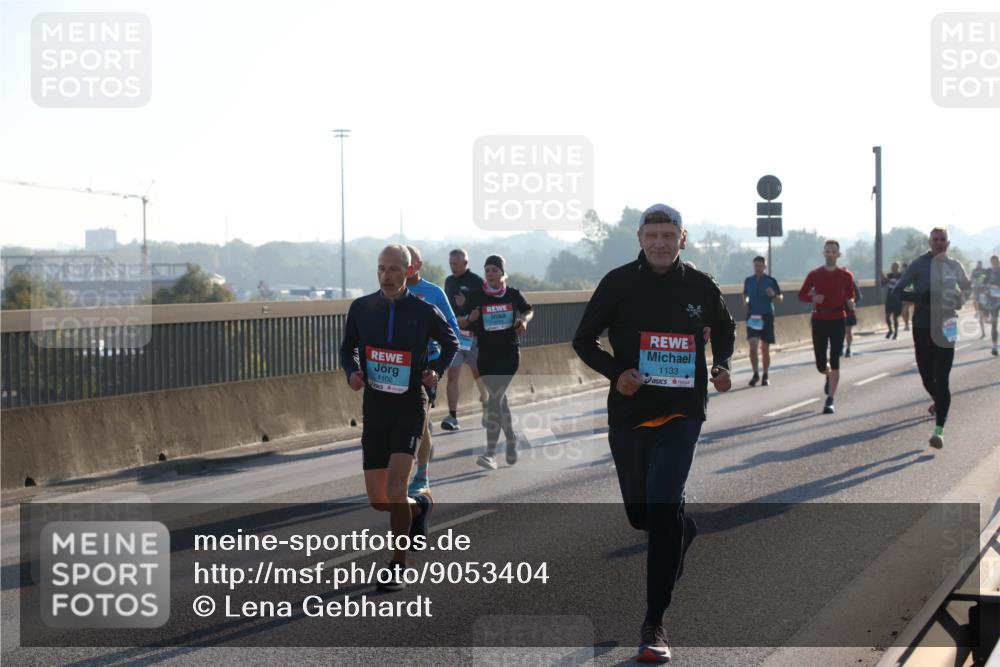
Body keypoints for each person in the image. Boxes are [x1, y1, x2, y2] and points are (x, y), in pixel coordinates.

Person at [573, 203, 735, 663]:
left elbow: (725, 328)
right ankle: (682, 530)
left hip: (682, 413)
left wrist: (721, 365)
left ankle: (654, 623)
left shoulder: (700, 285)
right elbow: (583, 339)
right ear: (640, 237)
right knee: (643, 517)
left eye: (669, 235)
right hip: (629, 414)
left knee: (662, 507)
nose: (661, 243)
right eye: (653, 235)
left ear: (683, 238)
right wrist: (616, 371)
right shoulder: (618, 283)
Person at [340, 244, 458, 590]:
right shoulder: (362, 308)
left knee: (395, 487)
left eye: (393, 269)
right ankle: (418, 508)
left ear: (407, 272)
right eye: (380, 268)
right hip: (376, 407)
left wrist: (435, 370)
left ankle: (396, 565)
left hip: (410, 404)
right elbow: (347, 349)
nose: (385, 276)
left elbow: (450, 342)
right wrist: (353, 372)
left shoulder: (422, 310)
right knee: (380, 501)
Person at [891, 228, 972, 448]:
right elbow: (897, 292)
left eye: (942, 239)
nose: (938, 243)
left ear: (948, 243)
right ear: (929, 242)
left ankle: (939, 430)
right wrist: (921, 297)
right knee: (927, 377)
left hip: (948, 324)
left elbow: (967, 288)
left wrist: (960, 300)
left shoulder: (955, 266)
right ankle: (941, 402)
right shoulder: (918, 264)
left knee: (942, 377)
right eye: (935, 239)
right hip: (922, 325)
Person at [460, 254, 533, 470]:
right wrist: (470, 319)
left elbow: (528, 309)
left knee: (494, 399)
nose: (490, 274)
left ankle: (490, 453)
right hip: (486, 355)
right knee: (499, 401)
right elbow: (459, 320)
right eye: (487, 270)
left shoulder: (512, 294)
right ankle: (511, 438)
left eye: (494, 270)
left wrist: (524, 321)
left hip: (509, 354)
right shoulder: (477, 296)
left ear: (502, 273)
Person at [403, 245, 461, 496]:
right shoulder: (391, 292)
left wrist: (435, 357)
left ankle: (422, 474)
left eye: (409, 262)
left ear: (418, 264)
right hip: (398, 366)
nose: (405, 267)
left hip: (427, 366)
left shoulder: (433, 293)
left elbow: (453, 331)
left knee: (422, 421)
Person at [798, 240, 856, 414]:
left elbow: (850, 296)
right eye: (828, 251)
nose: (830, 254)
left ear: (839, 254)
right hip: (819, 318)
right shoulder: (815, 274)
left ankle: (830, 399)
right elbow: (801, 295)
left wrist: (851, 303)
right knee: (820, 363)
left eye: (833, 251)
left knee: (835, 358)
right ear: (823, 253)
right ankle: (827, 373)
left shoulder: (846, 276)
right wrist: (813, 299)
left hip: (838, 318)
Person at [442, 249, 489, 430]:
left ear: (465, 263)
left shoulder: (477, 282)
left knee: (479, 375)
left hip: (474, 337)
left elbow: (484, 309)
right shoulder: (449, 281)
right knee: (452, 375)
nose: (453, 267)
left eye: (456, 263)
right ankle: (452, 416)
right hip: (455, 337)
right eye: (451, 263)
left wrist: (467, 306)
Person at [743, 256, 782, 386]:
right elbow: (745, 295)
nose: (757, 268)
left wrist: (774, 295)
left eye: (760, 266)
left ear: (765, 267)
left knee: (765, 348)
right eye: (755, 266)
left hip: (766, 316)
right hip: (753, 316)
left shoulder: (771, 281)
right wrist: (746, 302)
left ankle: (765, 374)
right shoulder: (749, 280)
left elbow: (780, 299)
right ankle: (755, 374)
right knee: (753, 347)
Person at [881, 262, 903, 339]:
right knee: (887, 316)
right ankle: (890, 330)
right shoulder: (889, 275)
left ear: (898, 267)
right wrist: (883, 278)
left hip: (897, 299)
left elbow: (898, 284)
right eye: (892, 267)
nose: (893, 268)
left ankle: (896, 332)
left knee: (895, 317)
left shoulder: (902, 276)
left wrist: (888, 280)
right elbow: (883, 284)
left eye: (895, 267)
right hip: (889, 298)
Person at [984, 255, 1000, 356]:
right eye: (993, 262)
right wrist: (987, 285)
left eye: (996, 262)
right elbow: (984, 283)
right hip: (993, 300)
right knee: (994, 324)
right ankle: (994, 346)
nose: (994, 263)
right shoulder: (989, 271)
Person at [844, 278, 863, 357]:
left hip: (849, 311)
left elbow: (859, 296)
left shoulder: (852, 283)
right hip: (839, 311)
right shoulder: (836, 282)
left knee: (848, 331)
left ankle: (848, 348)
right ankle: (842, 347)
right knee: (842, 331)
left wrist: (853, 303)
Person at [900, 261, 912, 331]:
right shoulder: (901, 275)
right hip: (902, 292)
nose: (904, 269)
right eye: (903, 268)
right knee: (903, 310)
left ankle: (907, 324)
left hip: (909, 291)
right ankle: (906, 323)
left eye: (906, 267)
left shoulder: (911, 273)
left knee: (905, 308)